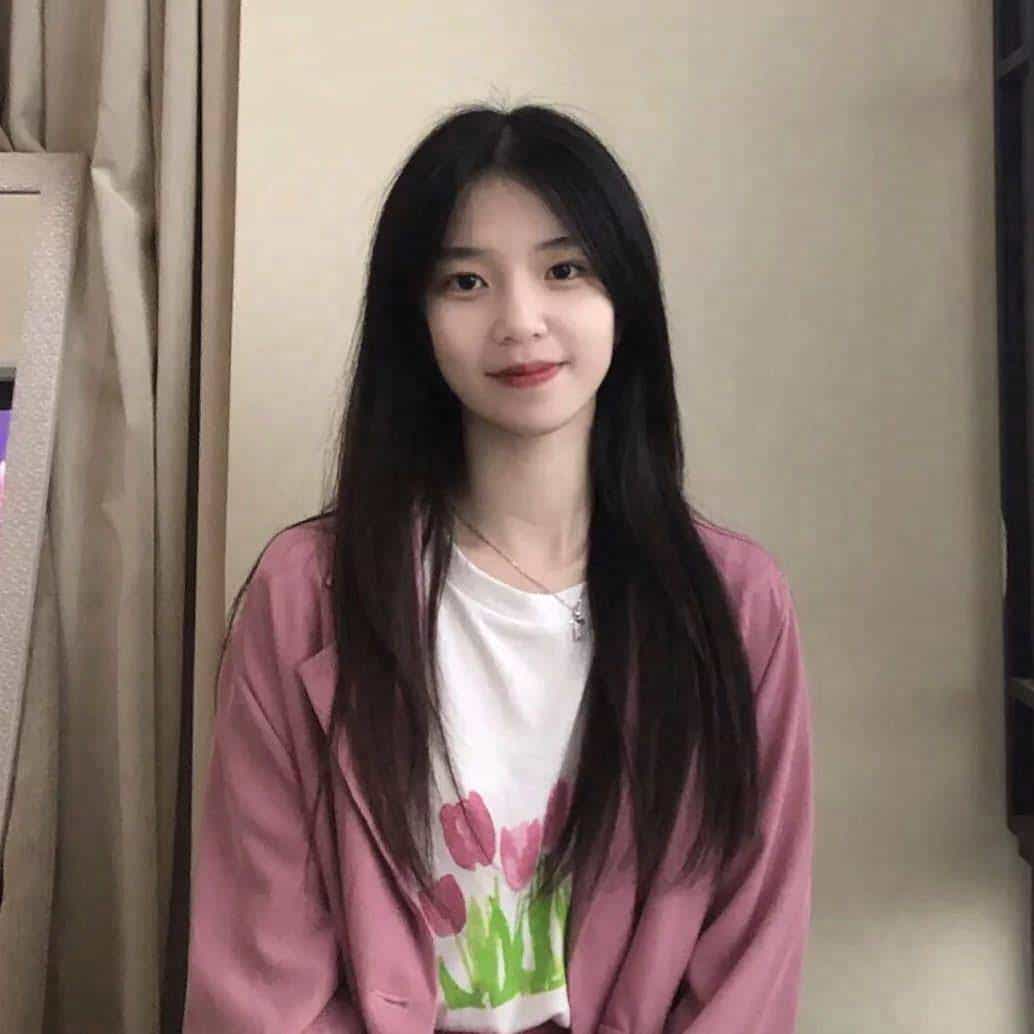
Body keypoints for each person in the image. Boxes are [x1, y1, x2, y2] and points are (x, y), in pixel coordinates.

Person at [182, 101, 814, 1034]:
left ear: (625, 298)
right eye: (466, 281)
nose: (520, 321)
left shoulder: (736, 605)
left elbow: (748, 968)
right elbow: (262, 978)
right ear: (418, 319)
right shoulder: (307, 595)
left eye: (564, 269)